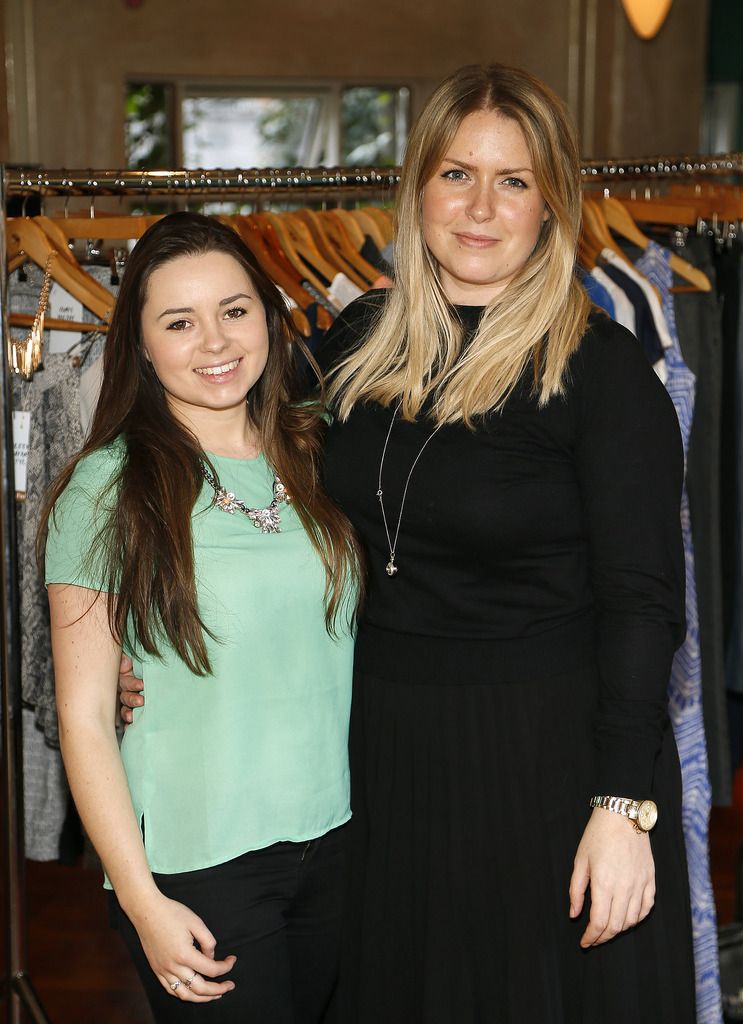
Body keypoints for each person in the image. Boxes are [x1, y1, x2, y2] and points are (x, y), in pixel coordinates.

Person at [121, 65, 696, 1022]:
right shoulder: (354, 345)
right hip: (381, 759)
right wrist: (132, 652)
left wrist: (619, 808)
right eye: (455, 173)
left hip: (542, 768)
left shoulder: (604, 374)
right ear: (415, 188)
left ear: (551, 203)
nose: (480, 207)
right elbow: (225, 484)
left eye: (513, 180)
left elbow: (645, 605)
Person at [41, 212, 363, 1023]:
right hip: (198, 865)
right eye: (179, 322)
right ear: (141, 347)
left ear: (270, 314)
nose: (215, 342)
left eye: (234, 310)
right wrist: (143, 903)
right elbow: (83, 722)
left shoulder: (320, 447)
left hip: (338, 841)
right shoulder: (105, 488)